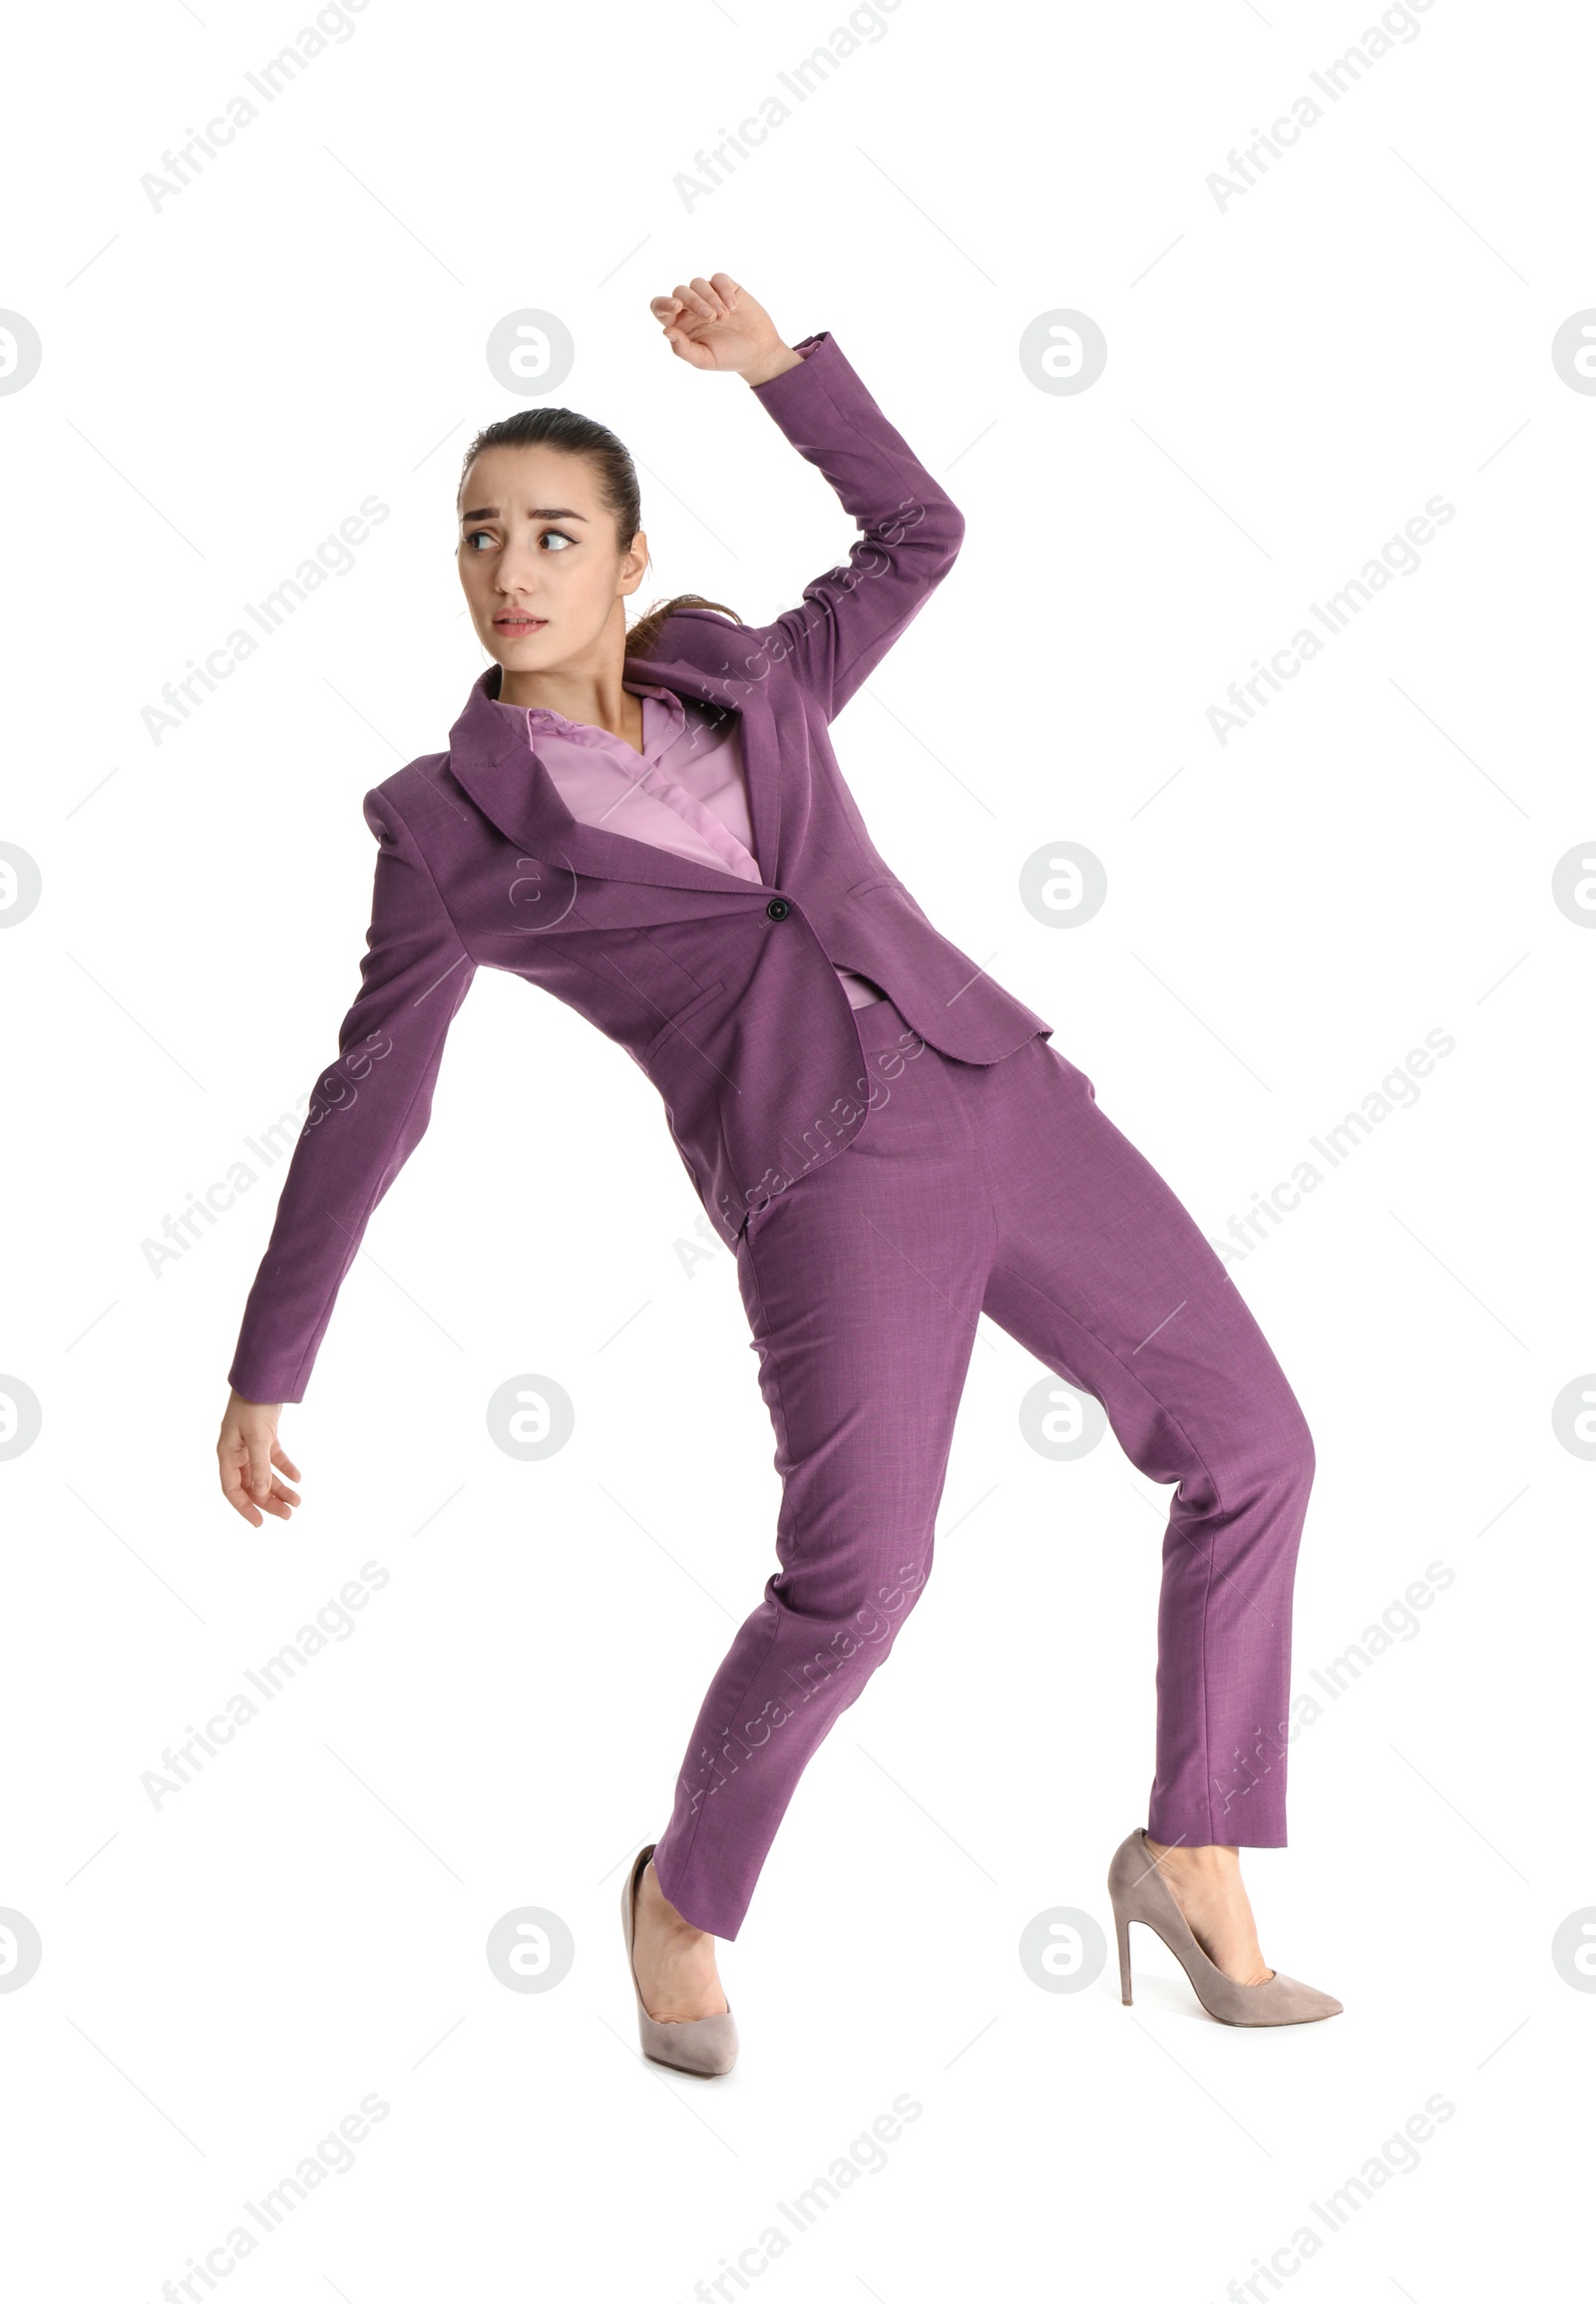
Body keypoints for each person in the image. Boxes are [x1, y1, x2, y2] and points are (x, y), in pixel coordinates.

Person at [217, 272, 1341, 2078]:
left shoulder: (745, 671)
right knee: (862, 1580)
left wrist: (782, 373)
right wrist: (273, 1357)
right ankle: (682, 1895)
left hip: (1005, 1090)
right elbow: (371, 1093)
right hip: (828, 1187)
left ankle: (1193, 1842)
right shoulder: (446, 826)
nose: (513, 567)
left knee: (1257, 1447)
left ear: (629, 557)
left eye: (554, 533)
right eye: (482, 535)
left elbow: (918, 532)